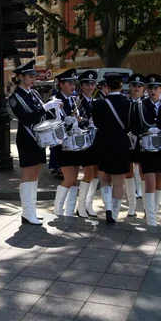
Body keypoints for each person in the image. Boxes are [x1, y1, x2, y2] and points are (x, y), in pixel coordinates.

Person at [9, 59, 62, 225]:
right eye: (30, 75)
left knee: (36, 173)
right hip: (26, 138)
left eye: (33, 75)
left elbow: (42, 116)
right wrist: (45, 107)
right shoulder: (15, 97)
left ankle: (32, 209)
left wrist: (55, 112)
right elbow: (27, 117)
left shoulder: (34, 93)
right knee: (27, 173)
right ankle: (27, 211)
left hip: (38, 138)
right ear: (20, 77)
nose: (33, 78)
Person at [92, 72, 132, 223]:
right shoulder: (129, 104)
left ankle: (108, 208)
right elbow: (131, 126)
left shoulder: (98, 104)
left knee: (105, 178)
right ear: (121, 86)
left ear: (106, 87)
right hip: (121, 144)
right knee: (118, 181)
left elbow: (96, 124)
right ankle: (114, 213)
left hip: (103, 143)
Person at [130, 74, 161, 226]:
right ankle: (151, 218)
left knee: (160, 179)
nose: (153, 91)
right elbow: (134, 126)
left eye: (156, 88)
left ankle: (152, 211)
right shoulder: (141, 104)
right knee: (150, 181)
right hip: (146, 149)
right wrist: (146, 130)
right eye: (150, 88)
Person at [52, 69, 81, 216]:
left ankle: (69, 210)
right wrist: (66, 122)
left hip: (75, 144)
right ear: (61, 84)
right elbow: (52, 123)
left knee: (75, 179)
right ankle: (57, 209)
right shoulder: (55, 100)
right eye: (70, 83)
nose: (73, 86)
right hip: (62, 145)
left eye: (74, 83)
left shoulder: (73, 99)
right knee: (69, 178)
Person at [75, 69, 100, 217]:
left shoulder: (97, 101)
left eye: (92, 84)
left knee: (96, 172)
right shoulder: (77, 101)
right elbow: (77, 120)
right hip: (84, 141)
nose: (90, 87)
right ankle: (81, 205)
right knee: (88, 172)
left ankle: (89, 204)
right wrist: (85, 121)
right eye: (87, 84)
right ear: (82, 86)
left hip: (96, 141)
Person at [125, 73, 146, 216]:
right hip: (127, 141)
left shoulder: (146, 104)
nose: (137, 88)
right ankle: (131, 206)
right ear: (130, 87)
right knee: (128, 173)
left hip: (142, 141)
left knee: (144, 174)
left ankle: (146, 206)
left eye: (139, 86)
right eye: (134, 85)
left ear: (143, 88)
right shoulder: (124, 102)